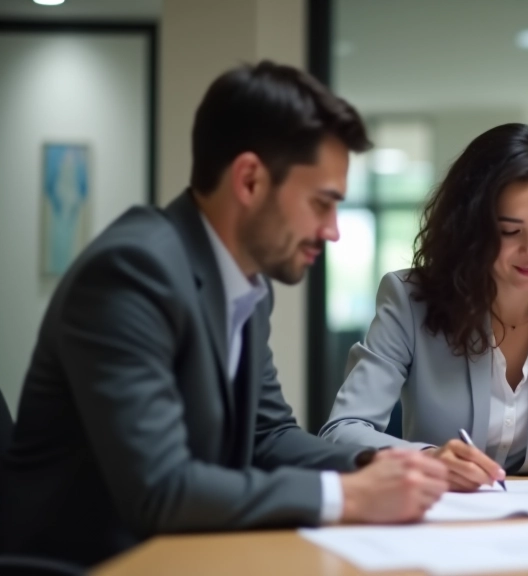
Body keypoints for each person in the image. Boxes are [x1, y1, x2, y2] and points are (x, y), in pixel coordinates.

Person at [0, 61, 448, 567]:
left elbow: (268, 436)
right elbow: (162, 489)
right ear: (251, 180)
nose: (333, 231)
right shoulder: (132, 272)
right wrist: (349, 497)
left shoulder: (245, 285)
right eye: (322, 203)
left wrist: (392, 463)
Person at [320, 123, 528, 491]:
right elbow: (344, 431)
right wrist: (427, 459)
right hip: (442, 519)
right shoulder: (409, 300)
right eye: (509, 231)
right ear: (470, 227)